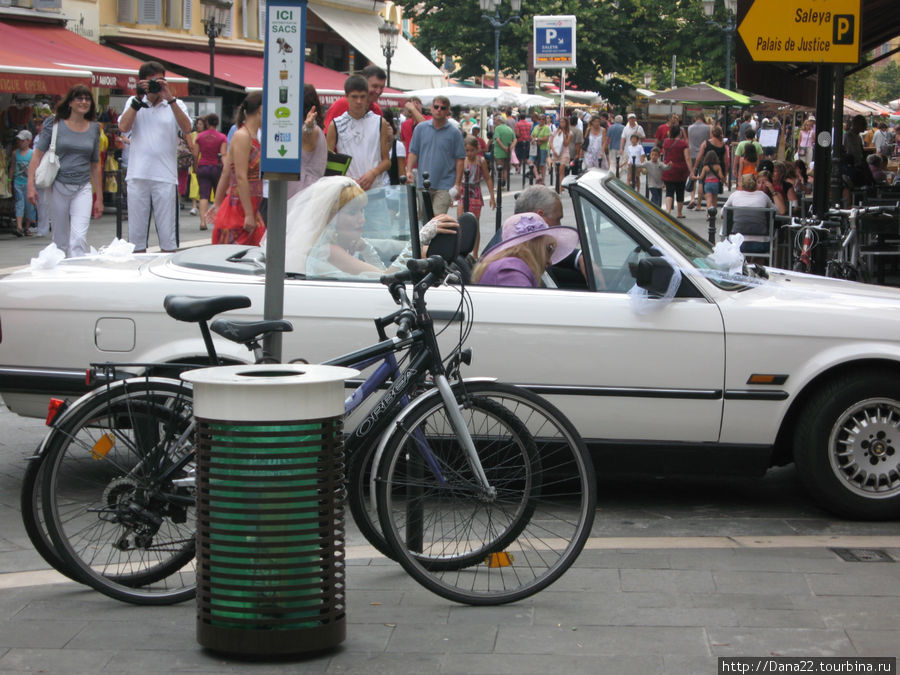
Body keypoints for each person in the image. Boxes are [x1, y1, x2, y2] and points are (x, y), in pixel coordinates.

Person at [118, 61, 192, 253]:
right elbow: (123, 128)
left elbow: (187, 128)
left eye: (159, 80)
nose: (155, 86)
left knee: (168, 237)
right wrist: (138, 99)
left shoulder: (176, 104)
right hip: (137, 174)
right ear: (141, 82)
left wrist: (170, 98)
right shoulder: (133, 103)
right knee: (136, 237)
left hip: (165, 176)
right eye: (151, 82)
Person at [26, 86, 103, 257]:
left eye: (87, 99)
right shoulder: (54, 124)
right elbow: (37, 155)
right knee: (60, 241)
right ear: (70, 102)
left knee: (78, 239)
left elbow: (95, 164)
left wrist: (100, 199)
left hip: (83, 187)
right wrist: (30, 185)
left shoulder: (94, 128)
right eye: (79, 98)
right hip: (57, 187)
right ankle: (60, 276)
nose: (84, 102)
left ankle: (76, 278)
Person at [209, 91, 265, 246]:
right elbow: (239, 176)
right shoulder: (243, 136)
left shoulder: (250, 135)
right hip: (240, 208)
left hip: (246, 207)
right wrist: (248, 214)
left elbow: (227, 172)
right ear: (261, 109)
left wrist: (218, 203)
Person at [473, 211, 579, 288]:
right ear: (534, 245)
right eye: (549, 248)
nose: (550, 261)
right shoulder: (510, 271)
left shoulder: (510, 267)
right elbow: (527, 312)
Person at [327, 75, 392, 192]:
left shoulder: (379, 122)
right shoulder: (335, 125)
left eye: (362, 97)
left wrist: (373, 173)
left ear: (367, 96)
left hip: (376, 189)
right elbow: (329, 163)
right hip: (348, 191)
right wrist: (347, 180)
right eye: (354, 97)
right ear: (346, 97)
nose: (359, 101)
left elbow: (386, 160)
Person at [406, 94, 465, 215]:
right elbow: (413, 152)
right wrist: (408, 170)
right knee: (424, 218)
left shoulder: (454, 133)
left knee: (437, 220)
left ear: (448, 110)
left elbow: (460, 159)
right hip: (424, 182)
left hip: (445, 184)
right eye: (436, 106)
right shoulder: (420, 128)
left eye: (443, 108)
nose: (439, 110)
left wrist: (457, 184)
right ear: (431, 108)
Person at [287, 84, 327, 199]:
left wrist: (308, 126)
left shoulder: (313, 130)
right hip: (306, 191)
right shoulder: (316, 129)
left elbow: (307, 134)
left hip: (302, 192)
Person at [721, 173, 776, 256]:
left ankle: (744, 266)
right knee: (759, 255)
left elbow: (723, 212)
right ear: (755, 185)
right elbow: (776, 211)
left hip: (737, 243)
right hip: (760, 244)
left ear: (741, 185)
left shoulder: (734, 195)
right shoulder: (763, 196)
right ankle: (756, 266)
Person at [323, 64, 386, 131]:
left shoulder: (377, 110)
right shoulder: (341, 105)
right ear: (363, 83)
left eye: (382, 87)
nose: (378, 91)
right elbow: (327, 135)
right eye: (375, 86)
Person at [459, 135, 495, 250]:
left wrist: (492, 196)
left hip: (475, 192)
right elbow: (457, 178)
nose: (469, 153)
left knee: (475, 224)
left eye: (472, 150)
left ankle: (475, 253)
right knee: (460, 222)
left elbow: (488, 178)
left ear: (477, 149)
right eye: (467, 150)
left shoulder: (481, 161)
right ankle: (461, 251)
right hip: (463, 191)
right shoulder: (462, 160)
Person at [193, 113, 227, 231]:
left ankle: (203, 222)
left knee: (203, 195)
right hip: (216, 167)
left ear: (207, 123)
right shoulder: (222, 137)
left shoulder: (200, 137)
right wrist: (227, 169)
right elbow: (223, 154)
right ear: (217, 123)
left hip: (203, 167)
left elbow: (195, 153)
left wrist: (195, 166)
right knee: (220, 196)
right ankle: (220, 222)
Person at [661, 124, 690, 218]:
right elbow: (687, 158)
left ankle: (668, 211)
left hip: (668, 169)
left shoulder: (666, 142)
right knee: (680, 191)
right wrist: (692, 170)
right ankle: (679, 213)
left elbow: (665, 155)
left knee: (669, 191)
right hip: (681, 170)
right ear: (679, 133)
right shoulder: (683, 144)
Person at [10, 130, 35, 237]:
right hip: (18, 182)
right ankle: (19, 226)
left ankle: (27, 227)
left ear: (28, 141)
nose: (20, 143)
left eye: (22, 141)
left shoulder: (32, 153)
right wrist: (9, 181)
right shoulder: (15, 153)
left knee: (29, 205)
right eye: (19, 141)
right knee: (19, 204)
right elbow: (12, 167)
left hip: (28, 183)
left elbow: (35, 168)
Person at [686, 113, 711, 209]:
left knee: (692, 176)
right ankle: (699, 204)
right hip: (703, 155)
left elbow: (689, 141)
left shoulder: (690, 128)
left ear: (695, 118)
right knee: (701, 180)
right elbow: (709, 140)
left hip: (692, 154)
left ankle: (692, 198)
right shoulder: (707, 128)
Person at [491, 112, 515, 190]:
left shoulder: (497, 128)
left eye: (496, 121)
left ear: (499, 121)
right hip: (508, 153)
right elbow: (515, 140)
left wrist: (504, 147)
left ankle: (500, 184)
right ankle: (504, 183)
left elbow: (497, 139)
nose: (495, 122)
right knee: (505, 169)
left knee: (499, 169)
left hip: (499, 152)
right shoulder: (509, 129)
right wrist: (510, 148)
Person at [549, 116, 571, 193]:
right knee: (557, 170)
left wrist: (564, 135)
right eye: (561, 122)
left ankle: (560, 188)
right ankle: (558, 185)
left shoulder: (569, 133)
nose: (562, 123)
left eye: (563, 122)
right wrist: (554, 150)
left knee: (561, 170)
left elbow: (566, 144)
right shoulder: (555, 131)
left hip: (564, 153)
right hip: (556, 152)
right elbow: (551, 142)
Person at [531, 114, 552, 184]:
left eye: (543, 119)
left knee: (542, 164)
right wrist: (534, 139)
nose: (541, 120)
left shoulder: (546, 128)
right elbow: (532, 135)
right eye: (540, 119)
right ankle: (537, 176)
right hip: (535, 148)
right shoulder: (536, 127)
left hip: (543, 148)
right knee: (531, 161)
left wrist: (537, 139)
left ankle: (543, 180)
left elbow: (546, 138)